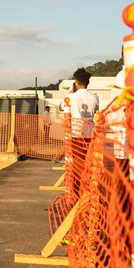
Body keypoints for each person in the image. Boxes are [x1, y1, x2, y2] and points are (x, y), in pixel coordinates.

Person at [59, 68, 100, 197]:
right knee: (88, 165)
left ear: (76, 81)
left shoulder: (71, 97)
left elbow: (61, 107)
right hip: (90, 135)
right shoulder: (95, 97)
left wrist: (71, 92)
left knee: (76, 165)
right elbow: (96, 113)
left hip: (75, 136)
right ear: (88, 82)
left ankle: (75, 193)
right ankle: (87, 191)